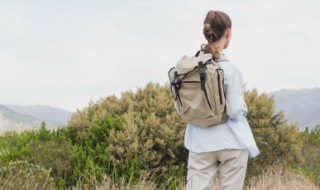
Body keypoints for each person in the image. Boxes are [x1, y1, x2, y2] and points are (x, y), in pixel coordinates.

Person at [185, 10, 260, 190]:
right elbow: (234, 111)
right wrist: (244, 107)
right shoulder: (231, 69)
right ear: (228, 33)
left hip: (199, 141)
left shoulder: (191, 68)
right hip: (231, 142)